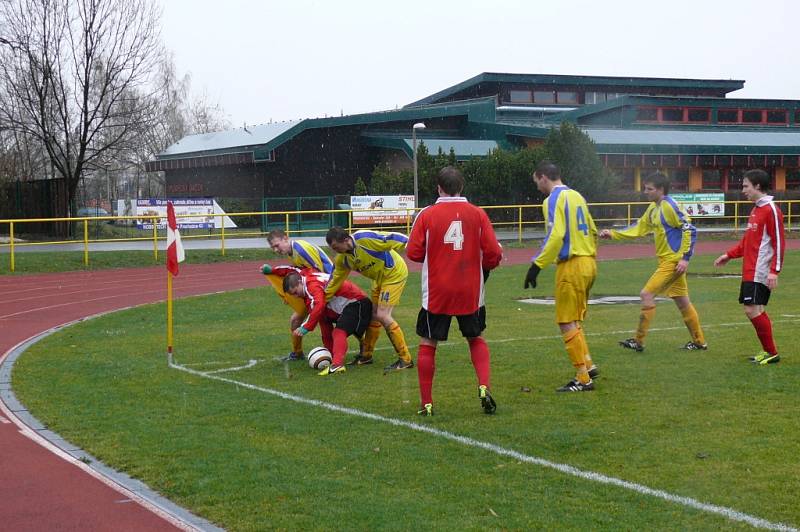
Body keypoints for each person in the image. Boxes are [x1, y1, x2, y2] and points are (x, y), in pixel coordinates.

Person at [406, 166, 503, 416]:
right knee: (475, 338)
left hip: (438, 291)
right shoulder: (478, 214)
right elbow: (493, 253)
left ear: (439, 188)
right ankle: (483, 386)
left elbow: (414, 253)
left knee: (429, 342)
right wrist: (484, 267)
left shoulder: (427, 215)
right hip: (470, 290)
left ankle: (427, 403)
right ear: (461, 187)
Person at [599, 172, 706, 353]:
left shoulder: (669, 206)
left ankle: (638, 341)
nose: (645, 192)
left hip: (672, 262)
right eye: (645, 188)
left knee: (646, 294)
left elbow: (690, 228)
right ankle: (699, 342)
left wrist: (685, 258)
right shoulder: (653, 208)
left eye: (649, 189)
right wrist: (613, 233)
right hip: (668, 261)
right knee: (683, 302)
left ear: (660, 190)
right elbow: (639, 228)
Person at [523, 161, 599, 392]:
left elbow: (556, 235)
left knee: (565, 321)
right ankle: (588, 364)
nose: (537, 187)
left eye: (536, 181)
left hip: (572, 265)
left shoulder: (553, 199)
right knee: (575, 319)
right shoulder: (578, 196)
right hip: (589, 262)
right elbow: (593, 230)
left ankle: (583, 378)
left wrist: (537, 265)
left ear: (543, 177)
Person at [713, 169, 785, 365]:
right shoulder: (755, 210)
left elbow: (779, 242)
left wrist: (773, 271)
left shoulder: (771, 209)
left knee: (751, 309)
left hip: (759, 271)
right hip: (750, 269)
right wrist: (728, 255)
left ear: (758, 186)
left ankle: (771, 352)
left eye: (746, 186)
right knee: (757, 309)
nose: (743, 190)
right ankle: (768, 351)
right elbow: (747, 243)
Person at [325, 227, 414, 372]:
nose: (335, 251)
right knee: (373, 316)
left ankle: (405, 359)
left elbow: (392, 237)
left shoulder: (364, 238)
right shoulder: (343, 259)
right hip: (378, 280)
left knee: (383, 315)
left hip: (394, 274)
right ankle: (366, 356)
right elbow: (334, 280)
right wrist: (323, 299)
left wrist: (411, 244)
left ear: (346, 240)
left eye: (336, 247)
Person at [281, 269, 372, 375]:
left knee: (338, 332)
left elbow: (319, 304)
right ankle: (333, 355)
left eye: (296, 292)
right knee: (323, 320)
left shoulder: (311, 286)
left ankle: (337, 365)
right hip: (345, 305)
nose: (296, 296)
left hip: (357, 302)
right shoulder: (305, 278)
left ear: (300, 282)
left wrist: (305, 327)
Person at [262, 230, 334, 362]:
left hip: (327, 289)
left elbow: (318, 273)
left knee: (332, 322)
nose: (276, 250)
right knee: (296, 320)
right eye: (273, 248)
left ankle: (359, 350)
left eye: (277, 245)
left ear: (285, 238)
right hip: (314, 289)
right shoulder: (292, 251)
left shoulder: (301, 250)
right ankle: (298, 353)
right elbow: (297, 271)